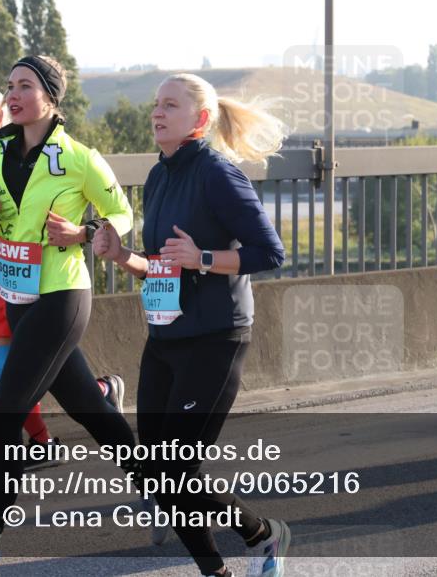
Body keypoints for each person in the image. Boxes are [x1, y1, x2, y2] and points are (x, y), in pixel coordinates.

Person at [0, 57, 140, 577]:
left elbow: (122, 216)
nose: (15, 93)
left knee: (1, 419)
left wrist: (84, 233)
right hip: (18, 301)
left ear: (50, 97)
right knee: (95, 417)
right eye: (10, 86)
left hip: (63, 297)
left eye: (25, 85)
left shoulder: (78, 158)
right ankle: (169, 488)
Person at [92, 73, 289, 577]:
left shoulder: (218, 173)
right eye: (156, 104)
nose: (157, 112)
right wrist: (121, 255)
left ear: (199, 121)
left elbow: (269, 252)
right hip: (164, 338)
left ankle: (264, 536)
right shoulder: (158, 177)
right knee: (157, 475)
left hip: (215, 338)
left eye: (171, 105)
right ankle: (220, 567)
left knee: (175, 469)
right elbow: (162, 263)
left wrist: (202, 256)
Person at [0, 87, 126, 470]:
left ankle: (46, 443)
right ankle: (101, 403)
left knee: (6, 372)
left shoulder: (68, 155)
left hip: (53, 288)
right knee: (73, 396)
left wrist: (83, 231)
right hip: (9, 282)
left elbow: (117, 212)